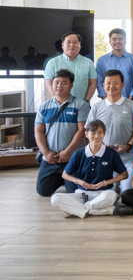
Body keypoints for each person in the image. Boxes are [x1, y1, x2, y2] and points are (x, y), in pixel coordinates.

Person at [51, 120, 128, 218]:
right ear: (86, 134)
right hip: (82, 194)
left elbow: (124, 175)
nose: (96, 136)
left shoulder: (111, 153)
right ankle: (96, 211)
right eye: (93, 133)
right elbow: (64, 175)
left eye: (100, 133)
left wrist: (104, 183)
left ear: (104, 134)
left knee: (111, 196)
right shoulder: (78, 153)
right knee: (55, 198)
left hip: (103, 193)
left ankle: (78, 210)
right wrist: (79, 182)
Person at [86, 70, 133, 192]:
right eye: (108, 83)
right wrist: (100, 146)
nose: (112, 86)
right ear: (103, 85)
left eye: (116, 83)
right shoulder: (96, 107)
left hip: (128, 159)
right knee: (105, 193)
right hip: (103, 158)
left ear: (123, 85)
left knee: (127, 193)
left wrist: (128, 146)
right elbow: (89, 132)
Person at [35, 69, 89, 197]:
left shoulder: (80, 105)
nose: (59, 86)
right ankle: (61, 178)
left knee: (74, 192)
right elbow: (38, 131)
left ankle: (67, 180)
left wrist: (68, 152)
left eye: (64, 83)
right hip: (51, 157)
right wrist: (45, 153)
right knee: (43, 191)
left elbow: (82, 130)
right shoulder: (44, 107)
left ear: (71, 85)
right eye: (56, 82)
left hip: (73, 157)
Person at [44, 32, 97, 102]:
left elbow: (93, 83)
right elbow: (49, 84)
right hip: (60, 105)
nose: (72, 45)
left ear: (80, 45)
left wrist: (86, 101)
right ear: (62, 45)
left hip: (82, 104)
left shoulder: (88, 62)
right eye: (68, 42)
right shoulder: (52, 62)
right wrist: (58, 101)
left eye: (75, 42)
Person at [95, 28, 133, 99]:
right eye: (114, 39)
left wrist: (131, 98)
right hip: (107, 103)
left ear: (125, 41)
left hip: (129, 101)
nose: (117, 41)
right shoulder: (101, 60)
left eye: (121, 39)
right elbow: (99, 81)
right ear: (110, 41)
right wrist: (105, 99)